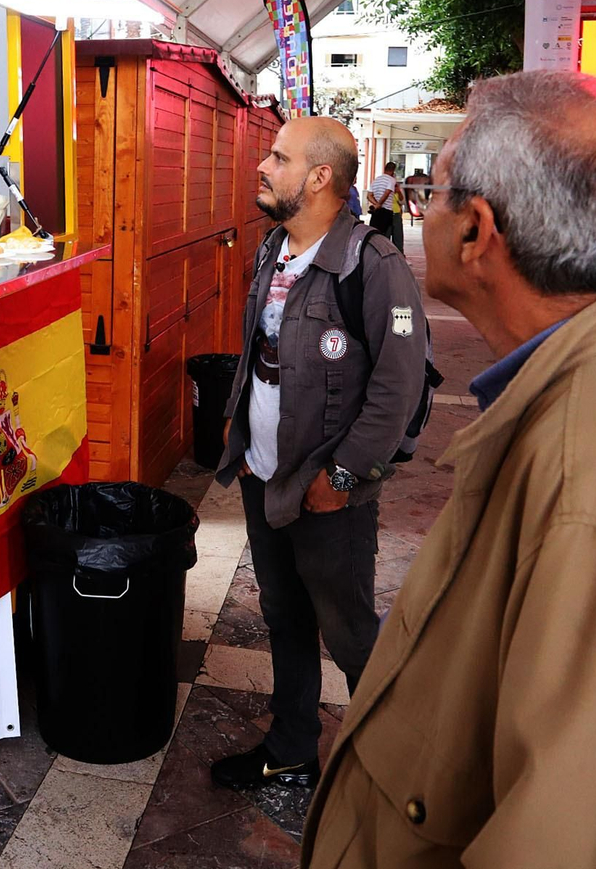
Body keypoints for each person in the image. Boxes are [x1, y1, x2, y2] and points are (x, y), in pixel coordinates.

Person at [302, 72, 596, 869]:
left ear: (477, 232)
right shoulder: (589, 403)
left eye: (436, 190)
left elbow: (586, 836)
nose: (424, 208)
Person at [211, 117, 428, 792]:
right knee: (284, 613)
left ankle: (398, 767)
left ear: (319, 177)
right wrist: (239, 433)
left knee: (351, 627)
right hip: (266, 474)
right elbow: (258, 352)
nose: (261, 166)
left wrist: (342, 475)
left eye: (277, 156)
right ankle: (293, 749)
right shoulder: (272, 249)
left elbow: (399, 385)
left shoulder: (375, 265)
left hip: (330, 485)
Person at [366, 160, 401, 247]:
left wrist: (376, 204)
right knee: (386, 235)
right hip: (387, 211)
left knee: (376, 234)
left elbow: (369, 195)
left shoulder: (376, 180)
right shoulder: (391, 180)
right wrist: (379, 204)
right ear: (393, 170)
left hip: (377, 212)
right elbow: (387, 192)